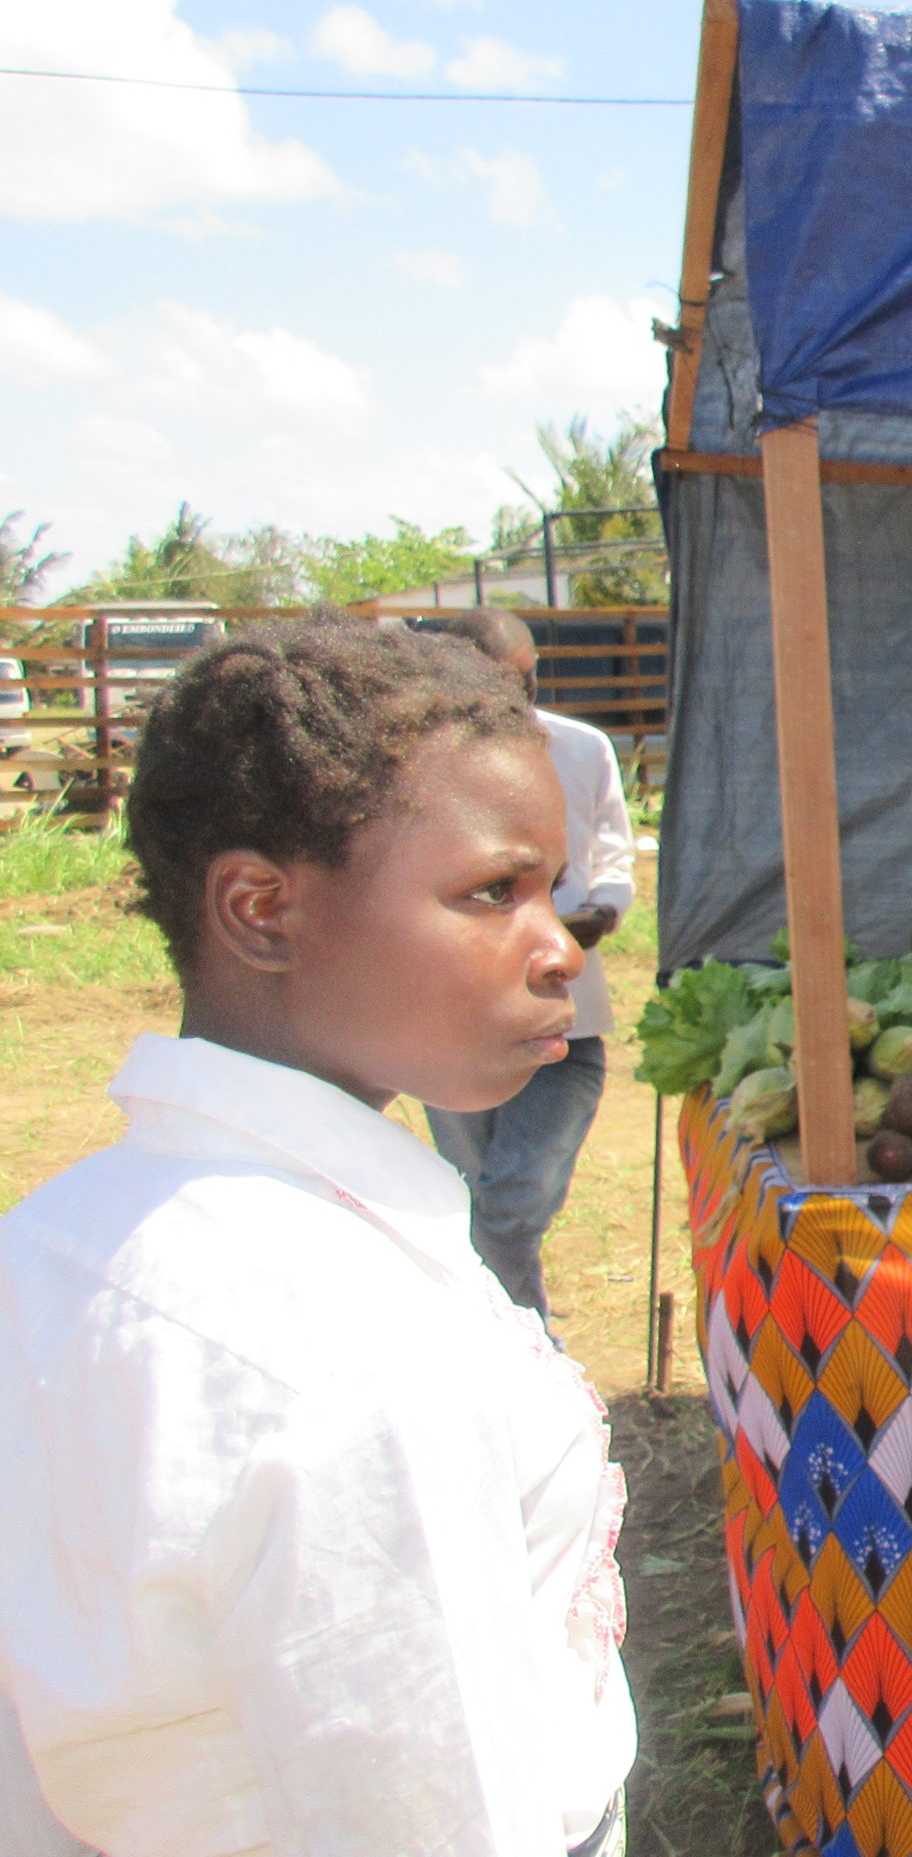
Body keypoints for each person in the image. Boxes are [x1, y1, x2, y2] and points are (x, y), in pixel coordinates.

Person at [0, 617, 633, 1855]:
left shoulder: (55, 1239)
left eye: (552, 891)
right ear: (262, 911)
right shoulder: (354, 1360)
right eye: (491, 892)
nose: (560, 949)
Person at [431, 606, 636, 1326]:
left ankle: (511, 1358)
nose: (503, 704)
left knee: (508, 1209)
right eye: (483, 688)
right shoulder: (413, 766)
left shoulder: (579, 751)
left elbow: (613, 852)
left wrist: (603, 910)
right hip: (452, 1023)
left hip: (564, 1018)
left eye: (516, 685)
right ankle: (512, 1357)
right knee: (468, 1200)